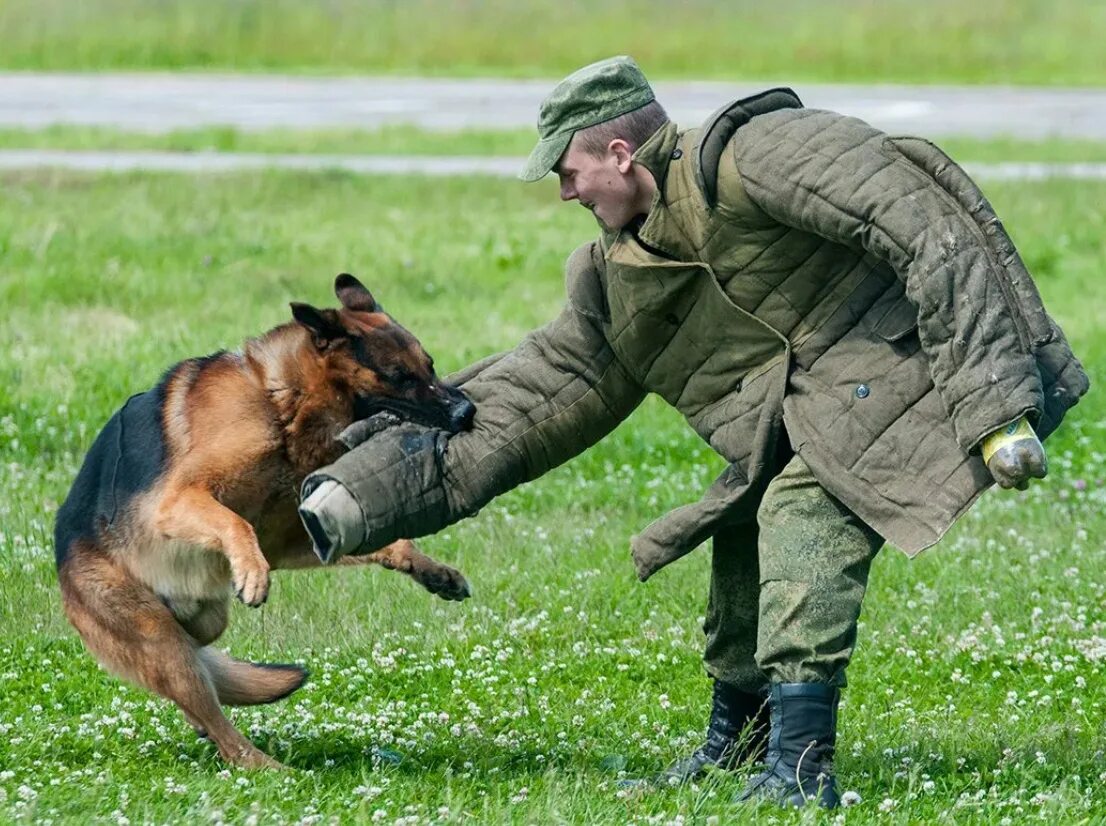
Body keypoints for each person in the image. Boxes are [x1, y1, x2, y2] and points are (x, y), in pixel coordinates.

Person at [297, 56, 1087, 808]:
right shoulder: (620, 275)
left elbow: (925, 220)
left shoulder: (757, 154)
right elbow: (531, 397)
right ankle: (740, 742)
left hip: (923, 370)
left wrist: (993, 403)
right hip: (819, 401)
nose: (565, 194)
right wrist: (355, 494)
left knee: (799, 513)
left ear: (617, 151)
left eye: (567, 173)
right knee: (743, 517)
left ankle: (801, 767)